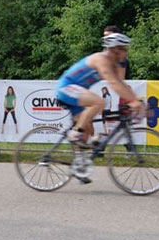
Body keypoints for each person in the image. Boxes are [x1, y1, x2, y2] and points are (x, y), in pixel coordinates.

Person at [56, 33, 144, 181]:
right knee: (99, 102)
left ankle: (79, 166)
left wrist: (135, 100)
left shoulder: (113, 63)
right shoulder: (101, 59)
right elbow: (113, 83)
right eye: (124, 49)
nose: (126, 53)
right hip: (66, 87)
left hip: (77, 91)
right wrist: (132, 101)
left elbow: (120, 83)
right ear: (114, 49)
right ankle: (74, 133)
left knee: (86, 131)